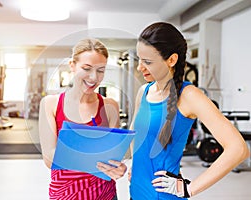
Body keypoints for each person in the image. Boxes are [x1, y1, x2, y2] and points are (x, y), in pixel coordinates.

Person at [128, 22, 249, 199]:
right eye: (140, 59)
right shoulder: (143, 91)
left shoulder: (189, 95)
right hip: (136, 191)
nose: (140, 67)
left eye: (148, 61)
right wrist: (135, 164)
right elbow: (135, 134)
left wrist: (189, 189)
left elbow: (238, 149)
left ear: (171, 60)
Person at [38, 38, 127, 200]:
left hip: (106, 195)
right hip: (66, 195)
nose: (94, 77)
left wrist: (118, 167)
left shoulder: (110, 106)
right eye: (86, 68)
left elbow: (114, 155)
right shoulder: (50, 104)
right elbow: (50, 159)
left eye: (101, 70)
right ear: (72, 66)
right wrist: (96, 161)